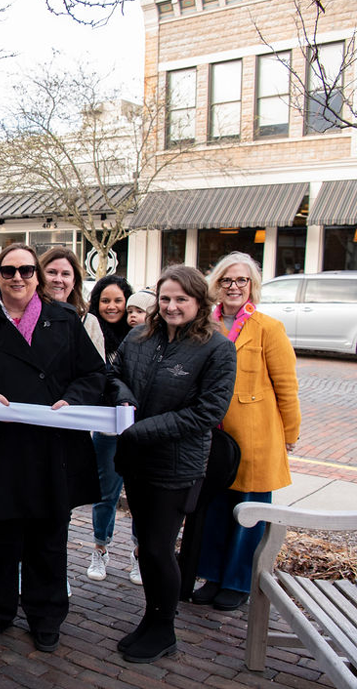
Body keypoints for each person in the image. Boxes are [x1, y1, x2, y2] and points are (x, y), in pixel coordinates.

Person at [0, 243, 105, 651]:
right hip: (0, 449)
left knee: (49, 539)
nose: (18, 278)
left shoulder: (66, 321)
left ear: (38, 277)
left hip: (53, 448)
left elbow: (94, 375)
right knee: (1, 539)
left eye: (27, 270)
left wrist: (75, 400)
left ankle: (46, 615)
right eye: (9, 271)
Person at [107, 265, 236, 664]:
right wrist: (123, 400)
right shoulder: (139, 336)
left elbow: (206, 412)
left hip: (177, 466)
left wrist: (139, 429)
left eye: (181, 299)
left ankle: (164, 629)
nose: (171, 306)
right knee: (146, 546)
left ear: (199, 302)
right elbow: (112, 376)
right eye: (165, 298)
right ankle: (151, 618)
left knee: (160, 548)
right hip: (137, 461)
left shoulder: (216, 348)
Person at [193, 253, 300, 611]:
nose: (234, 287)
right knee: (216, 510)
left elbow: (286, 384)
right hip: (214, 437)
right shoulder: (205, 325)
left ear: (252, 286)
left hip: (255, 437)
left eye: (242, 281)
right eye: (227, 280)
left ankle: (238, 582)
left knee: (249, 513)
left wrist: (290, 433)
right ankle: (212, 576)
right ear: (216, 286)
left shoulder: (268, 328)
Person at [84, 275, 140, 585]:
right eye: (105, 300)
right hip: (105, 425)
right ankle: (100, 549)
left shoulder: (140, 335)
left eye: (118, 300)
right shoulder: (92, 331)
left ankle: (138, 555)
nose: (112, 306)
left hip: (139, 425)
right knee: (106, 492)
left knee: (140, 495)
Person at [39, 247, 105, 358]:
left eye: (65, 274)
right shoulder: (25, 317)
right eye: (51, 272)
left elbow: (97, 372)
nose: (58, 280)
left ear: (74, 281)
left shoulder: (88, 323)